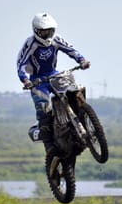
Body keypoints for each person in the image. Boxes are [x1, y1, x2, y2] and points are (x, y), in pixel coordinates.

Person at [16, 12, 91, 154]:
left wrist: (82, 60)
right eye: (44, 32)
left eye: (50, 31)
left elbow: (71, 50)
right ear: (36, 31)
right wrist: (25, 80)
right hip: (37, 80)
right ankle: (49, 145)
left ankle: (86, 120)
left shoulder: (56, 39)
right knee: (44, 108)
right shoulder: (30, 43)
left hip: (54, 74)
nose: (47, 35)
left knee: (75, 91)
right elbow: (20, 64)